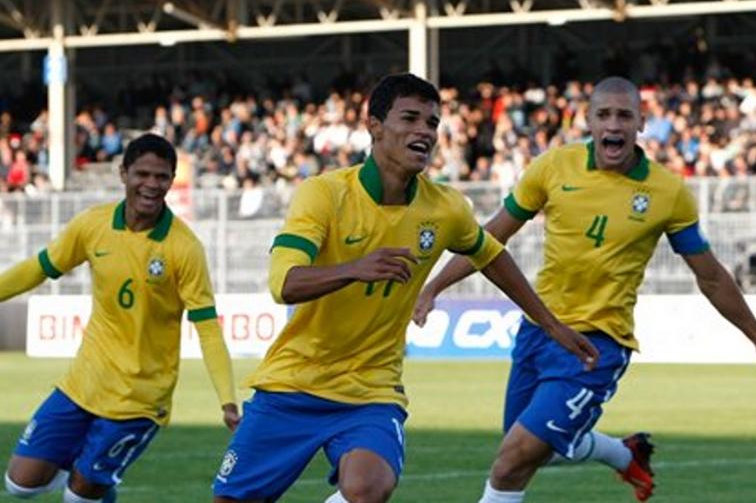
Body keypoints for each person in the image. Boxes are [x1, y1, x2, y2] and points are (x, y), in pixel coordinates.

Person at [211, 73, 598, 503]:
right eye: (410, 118)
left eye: (432, 123)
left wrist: (550, 324)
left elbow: (491, 256)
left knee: (368, 488)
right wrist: (355, 268)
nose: (424, 132)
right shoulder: (323, 194)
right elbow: (283, 282)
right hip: (292, 383)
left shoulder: (446, 207)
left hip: (371, 389)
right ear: (374, 126)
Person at [413, 76, 756, 503]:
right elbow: (490, 238)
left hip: (598, 344)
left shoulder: (667, 192)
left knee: (511, 462)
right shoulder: (552, 168)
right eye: (604, 115)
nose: (613, 125)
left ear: (641, 123)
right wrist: (435, 287)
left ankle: (615, 453)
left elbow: (710, 276)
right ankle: (623, 452)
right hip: (540, 331)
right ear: (589, 121)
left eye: (624, 116)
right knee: (530, 452)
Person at [2, 133, 239, 503]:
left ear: (171, 179)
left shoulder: (183, 248)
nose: (151, 185)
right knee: (19, 485)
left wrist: (227, 400)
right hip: (83, 384)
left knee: (78, 497)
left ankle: (92, 480)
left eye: (161, 177)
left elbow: (207, 328)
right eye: (142, 173)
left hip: (139, 399)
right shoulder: (92, 225)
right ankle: (92, 473)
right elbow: (38, 268)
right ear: (123, 172)